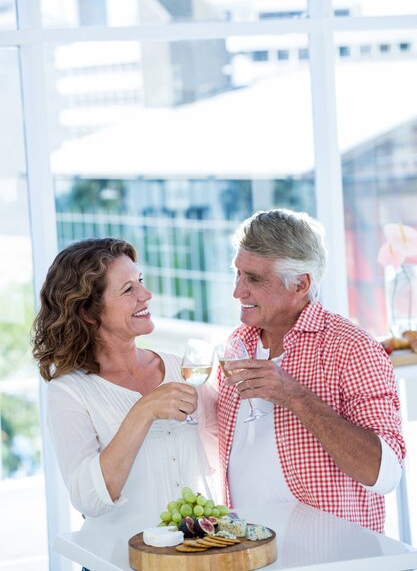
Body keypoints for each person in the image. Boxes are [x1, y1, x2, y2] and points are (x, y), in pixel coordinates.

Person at [217, 208, 406, 533]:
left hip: (331, 555)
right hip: (249, 552)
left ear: (300, 284)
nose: (238, 291)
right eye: (238, 273)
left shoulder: (352, 348)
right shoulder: (237, 343)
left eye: (254, 279)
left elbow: (385, 475)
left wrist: (296, 397)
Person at [32, 237, 218, 539]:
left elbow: (220, 453)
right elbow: (88, 500)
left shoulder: (180, 369)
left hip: (190, 558)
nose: (146, 294)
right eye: (128, 289)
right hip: (115, 560)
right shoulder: (69, 392)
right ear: (88, 313)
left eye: (140, 281)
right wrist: (143, 411)